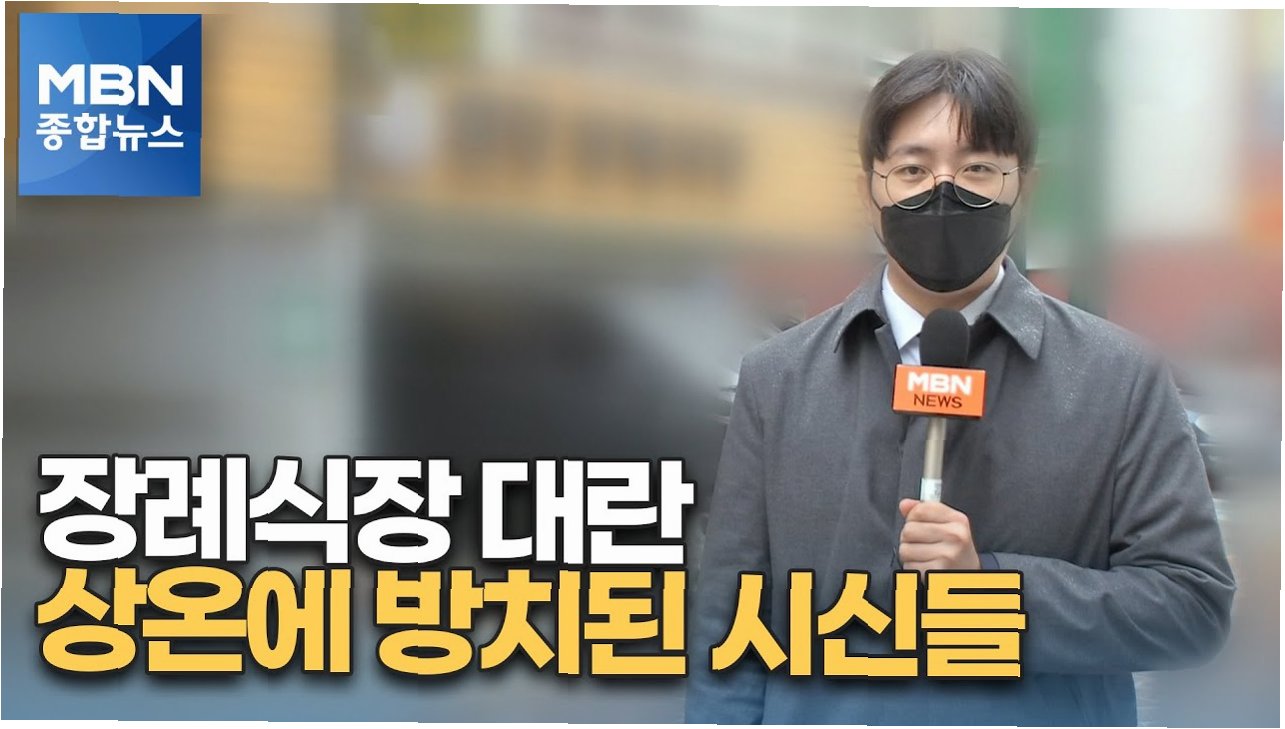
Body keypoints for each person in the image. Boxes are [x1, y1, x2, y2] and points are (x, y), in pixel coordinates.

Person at [685, 48, 1235, 726]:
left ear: (1024, 188)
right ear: (868, 191)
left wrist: (992, 587)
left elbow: (1191, 609)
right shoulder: (778, 379)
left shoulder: (1120, 378)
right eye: (912, 169)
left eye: (977, 169)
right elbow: (730, 623)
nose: (943, 192)